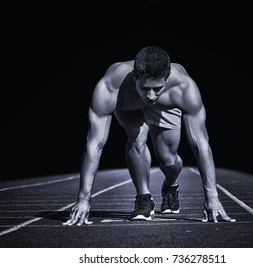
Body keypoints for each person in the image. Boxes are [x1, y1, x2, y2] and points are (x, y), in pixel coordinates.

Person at [63, 46, 236, 225]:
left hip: (166, 106)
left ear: (167, 79)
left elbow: (200, 143)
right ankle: (143, 198)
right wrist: (84, 199)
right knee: (138, 136)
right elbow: (94, 144)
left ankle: (170, 184)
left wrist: (212, 197)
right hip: (129, 104)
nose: (151, 96)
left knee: (168, 161)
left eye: (158, 88)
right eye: (145, 88)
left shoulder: (184, 87)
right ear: (135, 77)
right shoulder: (110, 87)